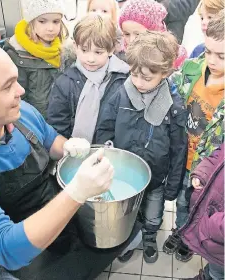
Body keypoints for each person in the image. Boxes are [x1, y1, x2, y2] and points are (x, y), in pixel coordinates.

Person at [0, 35, 138, 280]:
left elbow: (48, 139)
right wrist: (77, 192)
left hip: (59, 225)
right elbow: (6, 248)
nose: (21, 91)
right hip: (23, 258)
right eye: (8, 86)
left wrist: (68, 147)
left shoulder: (21, 112)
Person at [96, 31, 188, 264]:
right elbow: (105, 125)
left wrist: (173, 184)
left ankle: (149, 237)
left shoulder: (174, 107)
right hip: (124, 173)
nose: (137, 82)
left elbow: (179, 150)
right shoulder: (121, 93)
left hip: (156, 177)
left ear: (165, 72)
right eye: (134, 74)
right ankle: (130, 239)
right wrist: (106, 149)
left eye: (146, 78)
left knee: (153, 215)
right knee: (127, 213)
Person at [163, 12, 224, 263]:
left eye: (221, 56)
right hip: (181, 154)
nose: (211, 60)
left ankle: (192, 237)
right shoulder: (192, 68)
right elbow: (172, 90)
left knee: (199, 202)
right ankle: (181, 230)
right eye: (209, 51)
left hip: (208, 167)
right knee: (181, 199)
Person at [47, 14, 130, 143]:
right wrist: (67, 147)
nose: (90, 59)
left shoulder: (123, 79)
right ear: (75, 47)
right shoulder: (65, 82)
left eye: (98, 52)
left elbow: (125, 123)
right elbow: (57, 123)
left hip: (110, 151)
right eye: (84, 50)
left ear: (111, 50)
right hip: (74, 151)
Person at [4, 0, 69, 118]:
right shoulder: (18, 54)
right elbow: (18, 98)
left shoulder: (65, 49)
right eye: (42, 21)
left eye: (56, 21)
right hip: (35, 119)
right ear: (31, 22)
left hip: (60, 118)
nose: (50, 28)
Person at [180, 144, 224, 280]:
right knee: (216, 265)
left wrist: (209, 225)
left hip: (216, 227)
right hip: (215, 230)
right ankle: (208, 275)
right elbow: (218, 155)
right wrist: (202, 174)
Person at [118, 0, 188, 69]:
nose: (131, 40)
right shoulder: (120, 60)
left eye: (138, 34)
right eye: (127, 34)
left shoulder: (171, 61)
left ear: (155, 32)